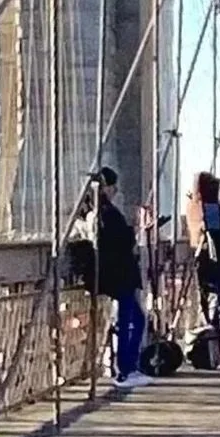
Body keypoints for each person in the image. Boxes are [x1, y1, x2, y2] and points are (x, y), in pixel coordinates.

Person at [77, 166, 151, 389]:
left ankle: (127, 368)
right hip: (120, 275)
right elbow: (118, 241)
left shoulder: (94, 212)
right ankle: (125, 370)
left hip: (114, 275)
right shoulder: (105, 213)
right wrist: (133, 232)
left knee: (131, 320)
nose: (115, 190)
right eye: (112, 186)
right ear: (104, 188)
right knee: (130, 321)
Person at [185, 171, 220, 345]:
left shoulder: (192, 206)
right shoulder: (211, 207)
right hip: (215, 257)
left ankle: (209, 333)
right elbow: (215, 231)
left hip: (199, 256)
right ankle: (216, 335)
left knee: (205, 296)